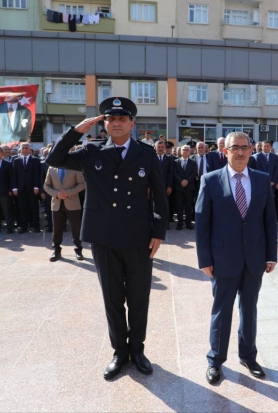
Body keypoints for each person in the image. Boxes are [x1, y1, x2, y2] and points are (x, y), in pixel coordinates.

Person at [46, 97, 168, 380]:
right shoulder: (92, 150)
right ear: (104, 124)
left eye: (122, 119)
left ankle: (137, 350)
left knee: (138, 298)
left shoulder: (146, 153)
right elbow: (54, 159)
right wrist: (76, 131)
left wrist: (158, 232)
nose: (116, 123)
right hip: (104, 235)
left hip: (138, 236)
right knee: (112, 299)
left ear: (132, 124)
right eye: (111, 119)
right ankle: (119, 352)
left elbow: (159, 195)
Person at [195, 131, 278, 384]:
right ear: (225, 151)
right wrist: (204, 259)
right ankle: (215, 360)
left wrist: (271, 255)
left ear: (251, 150)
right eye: (235, 148)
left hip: (254, 259)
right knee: (222, 311)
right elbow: (202, 222)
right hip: (222, 259)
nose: (240, 152)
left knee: (249, 310)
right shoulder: (210, 180)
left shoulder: (262, 179)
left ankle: (248, 357)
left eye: (244, 147)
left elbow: (269, 220)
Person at [43, 163, 86, 261]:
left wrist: (68, 192)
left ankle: (78, 249)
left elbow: (82, 184)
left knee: (76, 228)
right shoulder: (52, 168)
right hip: (57, 203)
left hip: (72, 203)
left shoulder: (75, 167)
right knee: (56, 229)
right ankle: (56, 250)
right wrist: (56, 194)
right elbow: (46, 185)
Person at [12, 142, 41, 233]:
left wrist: (36, 186)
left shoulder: (35, 160)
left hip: (32, 188)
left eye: (26, 148)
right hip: (20, 189)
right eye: (23, 148)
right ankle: (23, 227)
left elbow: (37, 174)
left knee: (34, 208)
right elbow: (14, 175)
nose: (24, 149)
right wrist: (14, 188)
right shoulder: (16, 160)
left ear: (30, 149)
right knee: (22, 208)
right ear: (20, 149)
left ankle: (36, 226)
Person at [173, 145, 197, 230]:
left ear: (190, 152)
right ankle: (179, 223)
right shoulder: (176, 162)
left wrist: (187, 181)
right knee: (179, 206)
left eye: (187, 150)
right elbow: (174, 173)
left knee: (188, 206)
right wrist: (181, 181)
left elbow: (194, 173)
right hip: (179, 188)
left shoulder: (193, 162)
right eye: (184, 150)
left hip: (189, 187)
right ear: (180, 151)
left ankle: (188, 223)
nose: (185, 151)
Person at [155, 141, 174, 229]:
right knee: (155, 206)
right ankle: (155, 224)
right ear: (155, 148)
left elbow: (171, 173)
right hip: (154, 187)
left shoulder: (169, 159)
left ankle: (165, 224)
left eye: (162, 147)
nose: (160, 148)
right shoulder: (152, 158)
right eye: (158, 147)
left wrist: (169, 186)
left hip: (165, 187)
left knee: (165, 206)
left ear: (165, 148)